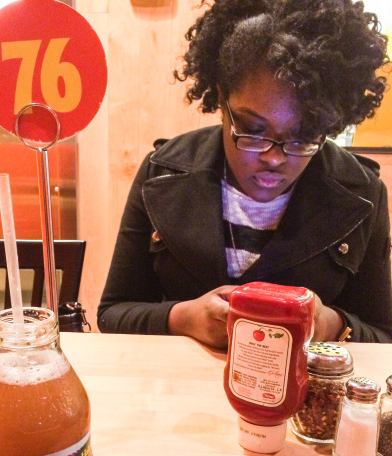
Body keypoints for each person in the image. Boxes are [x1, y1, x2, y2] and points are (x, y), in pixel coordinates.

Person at [98, 0, 392, 349]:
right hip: (179, 394)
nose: (274, 158)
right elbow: (113, 313)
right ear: (222, 102)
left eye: (303, 135)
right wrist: (183, 318)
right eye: (253, 130)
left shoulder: (361, 194)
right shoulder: (161, 173)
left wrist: (331, 324)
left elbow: (382, 334)